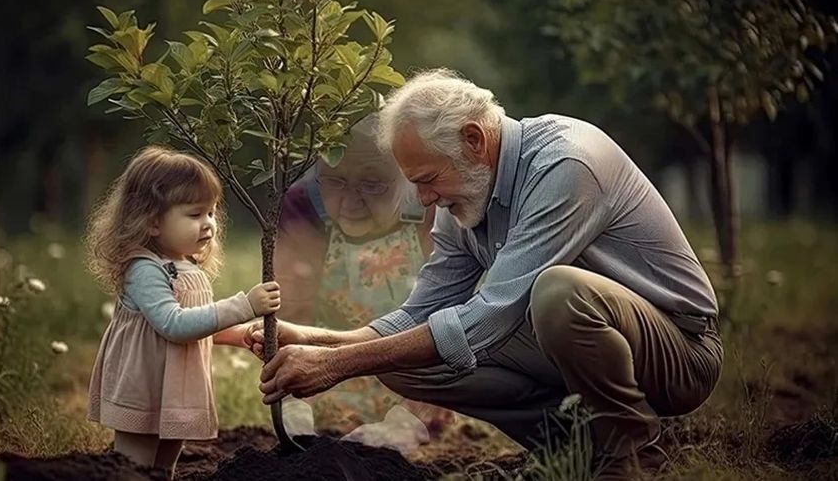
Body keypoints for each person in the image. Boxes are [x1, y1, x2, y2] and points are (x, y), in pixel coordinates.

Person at [249, 69, 723, 478]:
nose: (426, 201)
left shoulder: (567, 164)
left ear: (474, 141)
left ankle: (631, 451)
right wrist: (312, 340)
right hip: (569, 340)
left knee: (558, 291)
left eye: (428, 180)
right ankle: (574, 447)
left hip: (677, 352)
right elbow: (420, 314)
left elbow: (489, 317)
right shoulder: (464, 201)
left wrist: (336, 365)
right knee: (401, 361)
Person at [85, 146, 281, 475]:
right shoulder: (145, 270)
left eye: (211, 212)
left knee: (164, 466)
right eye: (194, 215)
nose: (208, 224)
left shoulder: (185, 265)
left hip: (174, 387)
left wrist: (239, 336)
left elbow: (198, 323)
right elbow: (174, 325)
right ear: (151, 222)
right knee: (134, 467)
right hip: (145, 387)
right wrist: (244, 306)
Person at [274, 113, 454, 452]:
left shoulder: (435, 208)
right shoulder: (303, 209)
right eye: (336, 182)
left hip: (410, 376)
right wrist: (295, 401)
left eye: (372, 185)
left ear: (406, 177)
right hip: (326, 369)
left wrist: (410, 420)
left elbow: (447, 318)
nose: (352, 203)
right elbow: (291, 314)